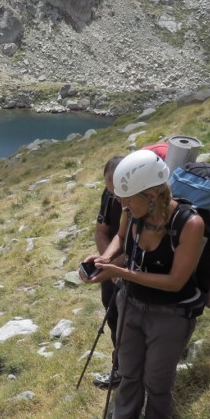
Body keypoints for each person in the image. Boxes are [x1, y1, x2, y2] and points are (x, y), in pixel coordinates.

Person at [81, 150, 205, 419]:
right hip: (131, 305)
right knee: (128, 373)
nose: (120, 205)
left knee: (157, 381)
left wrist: (121, 273)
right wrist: (105, 259)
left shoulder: (190, 224)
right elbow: (121, 241)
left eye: (126, 199)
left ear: (151, 194)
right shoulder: (132, 212)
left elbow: (176, 282)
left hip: (171, 315)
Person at [91, 156, 124, 391]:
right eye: (110, 191)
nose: (114, 196)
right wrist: (106, 263)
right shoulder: (109, 194)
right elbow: (102, 232)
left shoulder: (144, 199)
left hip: (137, 266)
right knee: (113, 315)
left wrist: (115, 268)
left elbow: (137, 243)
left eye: (118, 191)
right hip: (114, 263)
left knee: (131, 321)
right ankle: (121, 368)